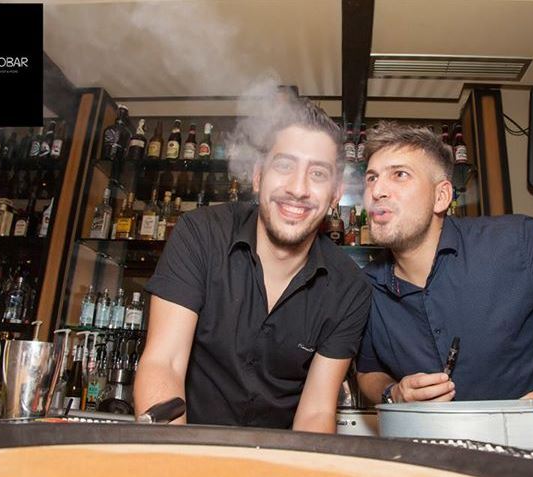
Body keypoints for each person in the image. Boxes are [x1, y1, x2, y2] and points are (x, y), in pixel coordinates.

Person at [135, 97, 371, 432]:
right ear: (259, 176)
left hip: (278, 457)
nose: (298, 188)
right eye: (284, 166)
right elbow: (164, 363)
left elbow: (317, 410)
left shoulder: (350, 289)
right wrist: (179, 457)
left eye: (318, 173)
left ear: (335, 194)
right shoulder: (200, 234)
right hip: (187, 445)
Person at [356, 121, 533, 407]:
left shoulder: (516, 242)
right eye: (371, 178)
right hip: (424, 436)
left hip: (528, 433)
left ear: (441, 197)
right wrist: (393, 393)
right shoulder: (365, 287)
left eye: (399, 174)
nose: (377, 191)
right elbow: (368, 371)